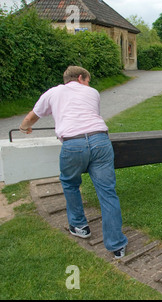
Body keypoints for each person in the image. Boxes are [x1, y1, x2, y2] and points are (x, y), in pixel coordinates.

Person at [19, 66, 128, 259]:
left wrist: (24, 127)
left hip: (72, 143)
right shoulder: (93, 92)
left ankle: (79, 225)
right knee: (107, 191)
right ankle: (117, 245)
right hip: (100, 140)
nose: (88, 84)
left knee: (70, 183)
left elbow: (32, 116)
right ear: (80, 78)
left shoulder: (53, 92)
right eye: (87, 80)